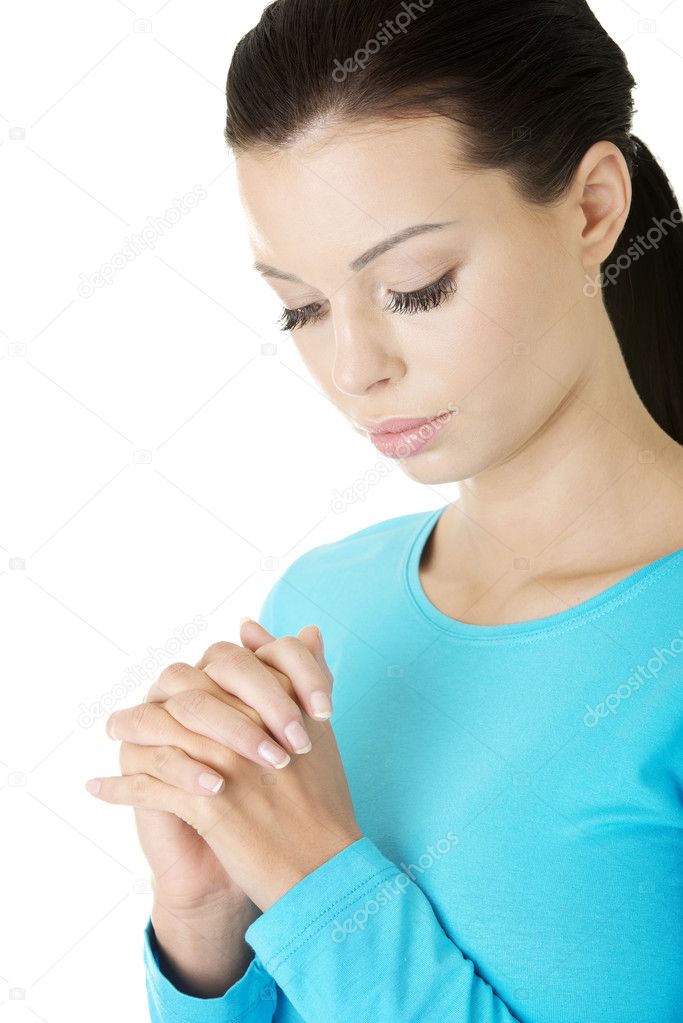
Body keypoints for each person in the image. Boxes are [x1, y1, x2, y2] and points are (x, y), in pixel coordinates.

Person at [85, 1, 683, 1019]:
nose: (355, 369)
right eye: (302, 308)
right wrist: (203, 931)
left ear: (589, 208)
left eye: (415, 287)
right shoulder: (320, 603)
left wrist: (322, 883)